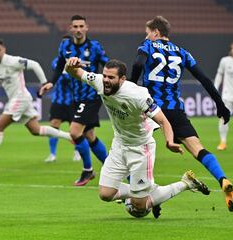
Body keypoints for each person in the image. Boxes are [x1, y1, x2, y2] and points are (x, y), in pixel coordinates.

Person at [65, 57, 210, 218]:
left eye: (111, 77)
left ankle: (186, 183)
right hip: (119, 144)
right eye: (105, 75)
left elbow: (163, 120)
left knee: (139, 209)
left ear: (122, 79)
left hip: (141, 148)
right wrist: (70, 64)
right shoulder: (98, 81)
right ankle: (148, 191)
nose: (106, 80)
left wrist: (169, 141)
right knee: (105, 194)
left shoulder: (137, 95)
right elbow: (76, 72)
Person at [129, 16, 233, 212]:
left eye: (148, 33)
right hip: (175, 109)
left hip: (151, 107)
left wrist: (131, 87)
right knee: (197, 148)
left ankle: (145, 193)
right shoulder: (182, 52)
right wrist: (220, 104)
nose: (146, 36)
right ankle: (222, 179)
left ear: (155, 32)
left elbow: (137, 64)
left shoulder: (148, 45)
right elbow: (204, 78)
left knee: (132, 148)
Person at [0, 38, 72, 173]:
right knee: (36, 130)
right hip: (17, 99)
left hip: (20, 98)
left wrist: (44, 82)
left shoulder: (13, 61)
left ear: (4, 50)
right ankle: (71, 137)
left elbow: (34, 65)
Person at [40, 15, 109, 186]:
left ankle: (88, 170)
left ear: (86, 28)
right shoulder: (65, 45)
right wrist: (51, 82)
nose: (78, 29)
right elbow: (59, 66)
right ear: (70, 29)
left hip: (91, 96)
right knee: (90, 136)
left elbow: (108, 64)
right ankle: (110, 167)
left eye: (81, 26)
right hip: (76, 98)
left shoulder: (94, 47)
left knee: (75, 132)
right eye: (75, 26)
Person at [44, 55, 81, 163]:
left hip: (72, 101)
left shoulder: (77, 61)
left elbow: (71, 77)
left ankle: (77, 152)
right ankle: (52, 154)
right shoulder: (56, 61)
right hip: (58, 101)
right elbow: (61, 74)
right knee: (54, 126)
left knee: (74, 128)